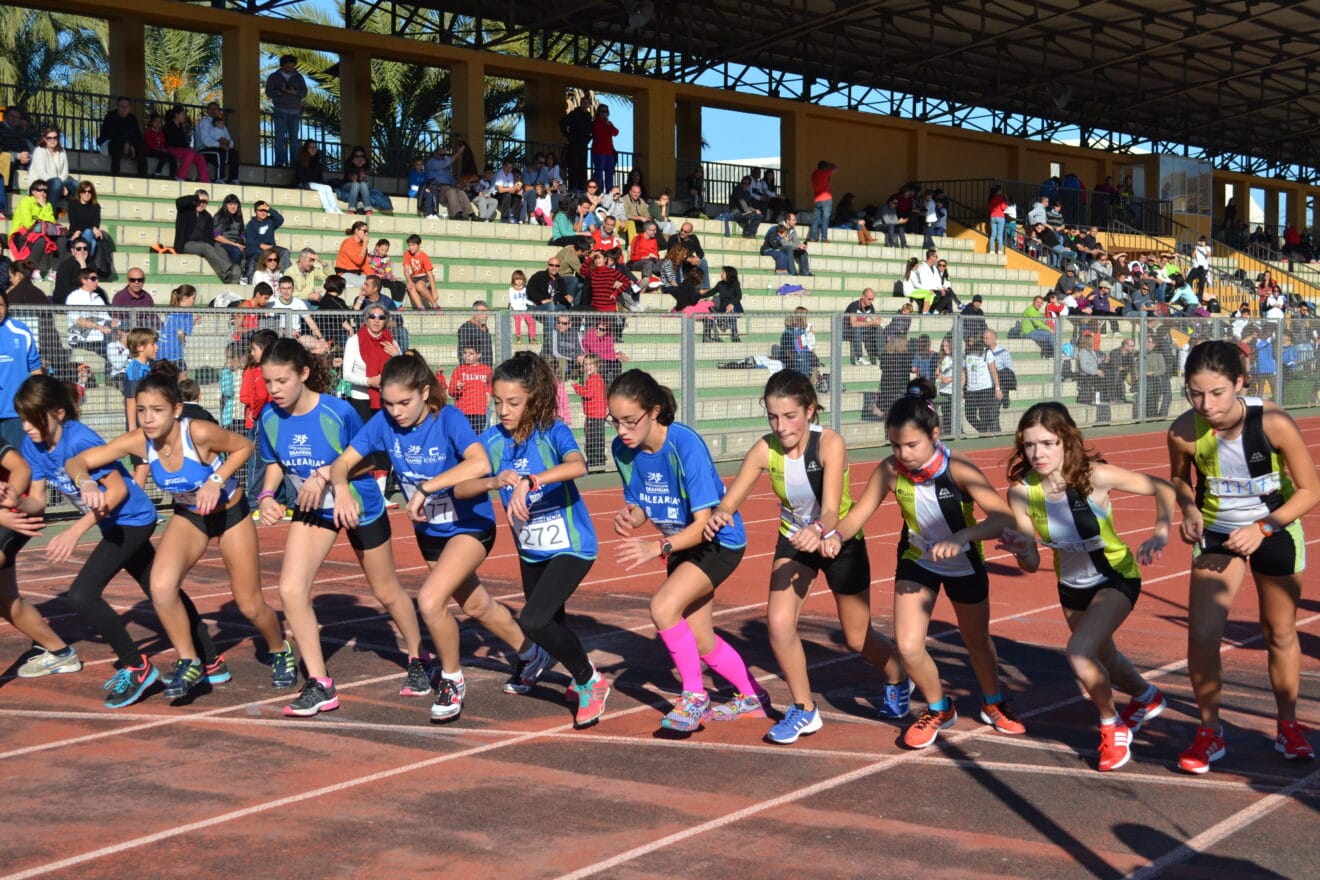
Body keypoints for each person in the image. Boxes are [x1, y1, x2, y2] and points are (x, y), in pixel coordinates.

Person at [706, 371, 909, 744]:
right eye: (772, 416)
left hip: (837, 540)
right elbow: (731, 499)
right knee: (779, 622)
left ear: (810, 410)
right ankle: (803, 709)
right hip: (794, 540)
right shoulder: (765, 449)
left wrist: (817, 530)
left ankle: (897, 677)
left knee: (856, 636)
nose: (780, 426)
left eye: (790, 416)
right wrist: (720, 514)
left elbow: (831, 511)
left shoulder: (829, 443)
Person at [334, 351, 537, 722]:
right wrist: (342, 488)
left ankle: (452, 679)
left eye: (404, 402)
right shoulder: (382, 422)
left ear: (425, 392)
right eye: (389, 403)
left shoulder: (449, 419)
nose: (395, 411)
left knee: (429, 601)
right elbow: (342, 464)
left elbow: (480, 463)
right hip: (430, 531)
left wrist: (427, 488)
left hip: (469, 525)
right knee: (475, 606)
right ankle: (531, 652)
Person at [65, 362, 287, 701]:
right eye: (141, 410)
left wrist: (215, 481)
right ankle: (190, 660)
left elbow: (243, 446)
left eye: (157, 410)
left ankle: (279, 648)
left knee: (249, 604)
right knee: (160, 586)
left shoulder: (197, 432)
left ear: (176, 410)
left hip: (230, 516)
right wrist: (84, 484)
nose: (148, 418)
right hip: (190, 516)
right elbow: (76, 463)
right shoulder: (139, 442)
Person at [829, 380, 1024, 749]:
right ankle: (939, 708)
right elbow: (859, 513)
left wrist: (963, 537)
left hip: (964, 563)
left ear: (934, 435)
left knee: (977, 640)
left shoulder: (959, 470)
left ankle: (994, 702)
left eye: (911, 445)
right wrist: (834, 537)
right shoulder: (889, 470)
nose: (903, 453)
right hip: (917, 561)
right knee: (908, 645)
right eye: (895, 445)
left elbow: (1002, 517)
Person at [14, 375, 218, 708]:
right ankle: (210, 659)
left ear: (58, 413)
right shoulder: (32, 446)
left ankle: (137, 666)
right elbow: (37, 499)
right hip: (110, 521)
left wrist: (74, 531)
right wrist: (15, 502)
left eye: (32, 418)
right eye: (21, 418)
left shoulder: (80, 439)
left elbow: (119, 490)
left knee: (82, 594)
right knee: (158, 589)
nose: (25, 426)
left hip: (132, 520)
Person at [251, 339, 427, 716]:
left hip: (357, 505)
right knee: (290, 589)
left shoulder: (338, 412)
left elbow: (374, 460)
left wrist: (326, 474)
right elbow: (275, 463)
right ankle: (320, 683)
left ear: (304, 374)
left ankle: (416, 657)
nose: (274, 390)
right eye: (268, 382)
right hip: (313, 507)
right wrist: (266, 495)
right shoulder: (268, 417)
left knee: (386, 590)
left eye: (282, 380)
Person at [1166, 340, 1319, 773]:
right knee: (1202, 634)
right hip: (1217, 535)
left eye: (1216, 393)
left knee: (1280, 632)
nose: (1206, 404)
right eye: (1195, 393)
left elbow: (1311, 491)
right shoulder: (1182, 431)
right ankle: (1209, 731)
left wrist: (1263, 528)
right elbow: (1179, 481)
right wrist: (1189, 509)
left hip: (1275, 530)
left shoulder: (1272, 423)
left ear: (1239, 383)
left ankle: (1288, 725)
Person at [999, 403, 1175, 771]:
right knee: (1104, 655)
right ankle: (1146, 696)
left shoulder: (1095, 476)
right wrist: (1021, 550)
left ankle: (1113, 726)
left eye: (1047, 443)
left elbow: (1163, 488)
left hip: (1115, 577)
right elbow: (1031, 565)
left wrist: (1160, 531)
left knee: (1079, 652)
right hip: (1071, 587)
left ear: (1066, 441)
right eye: (1030, 445)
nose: (1038, 453)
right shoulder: (1020, 493)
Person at [454, 353, 611, 726]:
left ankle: (590, 680)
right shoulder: (491, 440)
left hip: (572, 545)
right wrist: (495, 480)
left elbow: (578, 465)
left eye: (513, 403)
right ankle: (557, 667)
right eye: (497, 402)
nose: (504, 411)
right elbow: (462, 486)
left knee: (533, 620)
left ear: (534, 399)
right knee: (552, 623)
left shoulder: (552, 430)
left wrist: (531, 479)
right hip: (532, 550)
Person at [608, 369, 759, 732]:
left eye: (630, 421)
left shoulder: (684, 444)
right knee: (701, 636)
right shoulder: (622, 451)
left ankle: (695, 697)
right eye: (615, 422)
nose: (622, 431)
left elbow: (704, 523)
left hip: (715, 540)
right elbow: (644, 504)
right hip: (678, 544)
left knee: (662, 607)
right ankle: (751, 696)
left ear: (655, 411)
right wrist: (632, 514)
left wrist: (658, 546)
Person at [0, 445, 81, 678]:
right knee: (6, 600)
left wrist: (7, 502)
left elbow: (20, 468)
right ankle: (60, 653)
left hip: (14, 515)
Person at [0, 291, 43, 449]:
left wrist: (39, 404)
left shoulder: (20, 331)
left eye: (1, 305)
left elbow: (35, 370)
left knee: (20, 465)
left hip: (17, 413)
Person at [175, 190, 239, 283]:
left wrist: (214, 248)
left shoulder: (207, 216)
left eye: (205, 202)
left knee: (219, 248)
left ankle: (230, 275)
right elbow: (179, 201)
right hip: (186, 244)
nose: (202, 204)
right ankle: (228, 271)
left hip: (201, 244)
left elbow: (209, 237)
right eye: (200, 201)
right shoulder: (185, 211)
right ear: (195, 200)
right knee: (206, 247)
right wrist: (196, 197)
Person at [266, 55, 308, 167]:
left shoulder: (298, 77)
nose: (290, 68)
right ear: (282, 65)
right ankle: (280, 162)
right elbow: (269, 92)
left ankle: (295, 163)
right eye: (288, 66)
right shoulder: (274, 77)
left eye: (292, 66)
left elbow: (304, 92)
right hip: (280, 110)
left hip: (295, 111)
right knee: (279, 137)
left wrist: (295, 92)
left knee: (294, 139)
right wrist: (280, 90)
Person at [572, 353, 608, 469]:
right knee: (597, 438)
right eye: (585, 364)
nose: (587, 367)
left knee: (592, 440)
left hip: (594, 414)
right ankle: (599, 460)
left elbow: (588, 393)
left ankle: (595, 462)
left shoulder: (594, 379)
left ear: (597, 366)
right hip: (598, 414)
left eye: (590, 364)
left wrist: (576, 387)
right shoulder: (597, 378)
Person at [98, 96, 148, 178]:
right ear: (117, 107)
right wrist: (126, 142)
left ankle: (143, 176)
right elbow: (111, 134)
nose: (124, 109)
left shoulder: (132, 118)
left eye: (126, 106)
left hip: (128, 145)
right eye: (121, 106)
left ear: (129, 108)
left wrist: (129, 143)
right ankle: (115, 175)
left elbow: (137, 135)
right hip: (110, 143)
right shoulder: (110, 116)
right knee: (117, 145)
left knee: (141, 145)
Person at [450, 345, 493, 434]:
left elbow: (491, 385)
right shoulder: (458, 370)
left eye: (471, 353)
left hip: (479, 411)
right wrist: (457, 388)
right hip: (462, 411)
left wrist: (488, 394)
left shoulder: (487, 370)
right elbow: (451, 391)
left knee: (477, 437)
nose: (467, 356)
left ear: (478, 355)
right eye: (465, 353)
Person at [30, 127, 77, 208]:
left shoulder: (62, 151)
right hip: (41, 184)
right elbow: (42, 174)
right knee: (56, 182)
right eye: (49, 138)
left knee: (76, 184)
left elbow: (65, 173)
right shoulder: (39, 150)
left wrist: (60, 184)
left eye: (55, 138)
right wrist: (59, 184)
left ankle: (73, 211)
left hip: (58, 184)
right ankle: (51, 215)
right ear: (45, 139)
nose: (52, 140)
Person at [195, 103, 239, 184]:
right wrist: (221, 145)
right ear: (207, 111)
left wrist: (229, 144)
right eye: (211, 109)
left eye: (215, 109)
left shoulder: (222, 124)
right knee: (220, 153)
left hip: (219, 148)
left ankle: (234, 179)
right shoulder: (204, 122)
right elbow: (206, 140)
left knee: (234, 153)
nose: (213, 111)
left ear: (219, 111)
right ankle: (219, 179)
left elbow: (228, 138)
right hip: (204, 150)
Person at [163, 106, 210, 183]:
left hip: (182, 151)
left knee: (200, 157)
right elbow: (172, 142)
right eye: (183, 114)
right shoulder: (168, 126)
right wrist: (186, 149)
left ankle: (205, 181)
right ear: (176, 115)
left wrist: (187, 148)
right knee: (189, 152)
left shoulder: (180, 127)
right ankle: (180, 177)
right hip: (171, 149)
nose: (185, 116)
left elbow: (184, 143)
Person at [559, 98, 593, 191]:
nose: (585, 105)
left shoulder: (588, 116)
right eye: (584, 103)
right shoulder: (574, 114)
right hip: (573, 144)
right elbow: (562, 122)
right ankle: (573, 187)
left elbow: (591, 129)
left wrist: (589, 138)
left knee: (582, 166)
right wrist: (568, 136)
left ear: (589, 105)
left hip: (583, 145)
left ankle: (582, 187)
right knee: (573, 166)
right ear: (581, 103)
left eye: (587, 103)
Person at [844, 287, 883, 366]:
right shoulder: (854, 306)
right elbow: (853, 323)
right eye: (869, 299)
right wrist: (871, 322)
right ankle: (859, 357)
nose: (871, 301)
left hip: (862, 330)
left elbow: (874, 320)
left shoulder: (870, 306)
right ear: (863, 297)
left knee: (879, 329)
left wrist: (877, 321)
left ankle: (880, 356)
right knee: (857, 329)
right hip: (848, 331)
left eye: (872, 299)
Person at [402, 235, 438, 310]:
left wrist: (434, 291)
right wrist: (409, 281)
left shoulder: (424, 256)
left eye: (413, 245)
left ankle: (435, 304)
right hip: (415, 276)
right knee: (410, 287)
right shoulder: (407, 254)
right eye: (409, 245)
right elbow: (406, 270)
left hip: (425, 276)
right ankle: (421, 307)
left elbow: (430, 275)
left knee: (419, 286)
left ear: (419, 245)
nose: (410, 247)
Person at [590, 105, 619, 190]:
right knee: (599, 173)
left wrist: (608, 124)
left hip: (609, 152)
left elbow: (616, 132)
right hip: (598, 152)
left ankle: (609, 194)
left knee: (609, 174)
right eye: (602, 111)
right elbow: (597, 133)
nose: (604, 113)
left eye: (606, 112)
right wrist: (605, 124)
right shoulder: (595, 123)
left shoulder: (609, 123)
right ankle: (598, 192)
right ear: (598, 112)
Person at [808, 160, 836, 243]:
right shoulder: (825, 172)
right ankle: (824, 238)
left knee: (815, 219)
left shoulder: (814, 174)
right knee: (825, 219)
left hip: (817, 199)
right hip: (826, 199)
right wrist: (831, 165)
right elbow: (837, 169)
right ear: (825, 167)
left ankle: (813, 238)